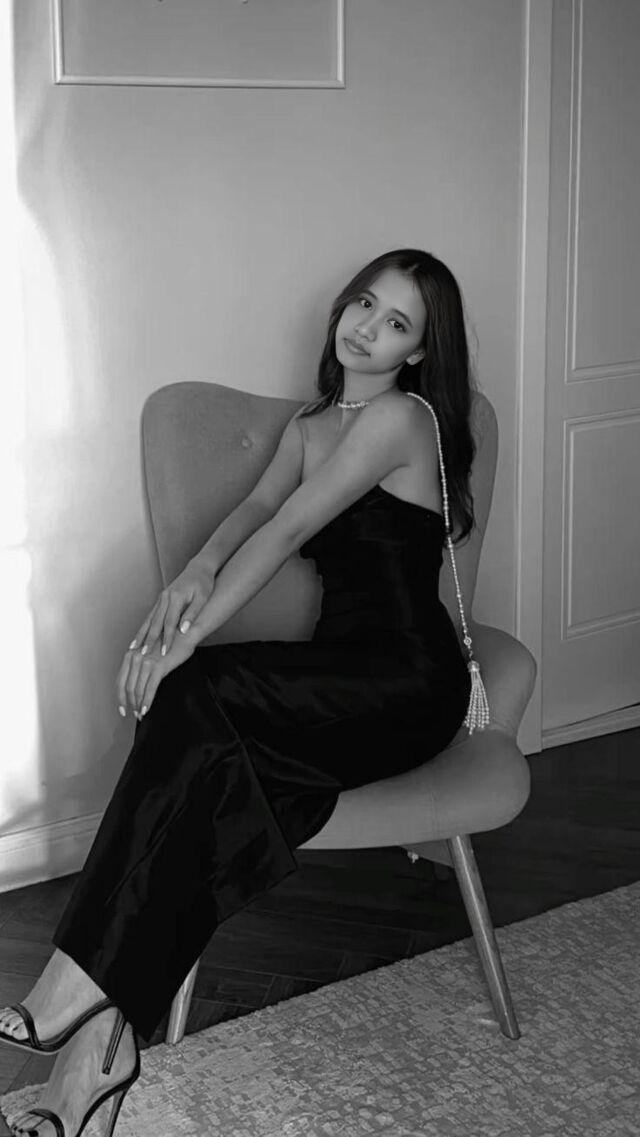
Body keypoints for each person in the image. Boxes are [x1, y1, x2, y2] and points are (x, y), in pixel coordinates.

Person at [0, 247, 481, 1136]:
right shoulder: (312, 423)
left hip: (407, 681)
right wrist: (196, 570)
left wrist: (183, 640)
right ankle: (96, 1062)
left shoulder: (400, 417)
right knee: (208, 784)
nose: (367, 329)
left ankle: (77, 978)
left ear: (417, 351)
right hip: (339, 679)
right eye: (364, 304)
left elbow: (291, 527)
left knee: (196, 695)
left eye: (396, 323)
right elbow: (256, 512)